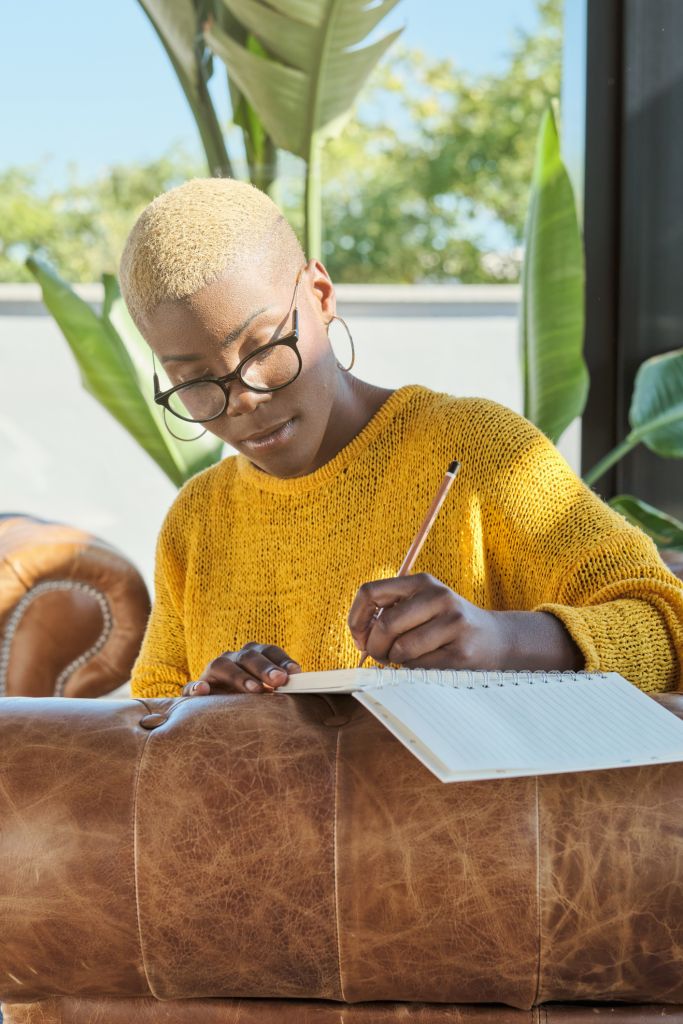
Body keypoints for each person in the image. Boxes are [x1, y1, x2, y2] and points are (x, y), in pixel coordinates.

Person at [119, 177, 683, 699]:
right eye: (193, 381)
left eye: (263, 347)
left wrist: (503, 642)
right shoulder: (196, 521)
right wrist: (201, 711)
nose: (243, 398)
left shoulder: (478, 447)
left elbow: (668, 631)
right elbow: (145, 733)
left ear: (320, 294)